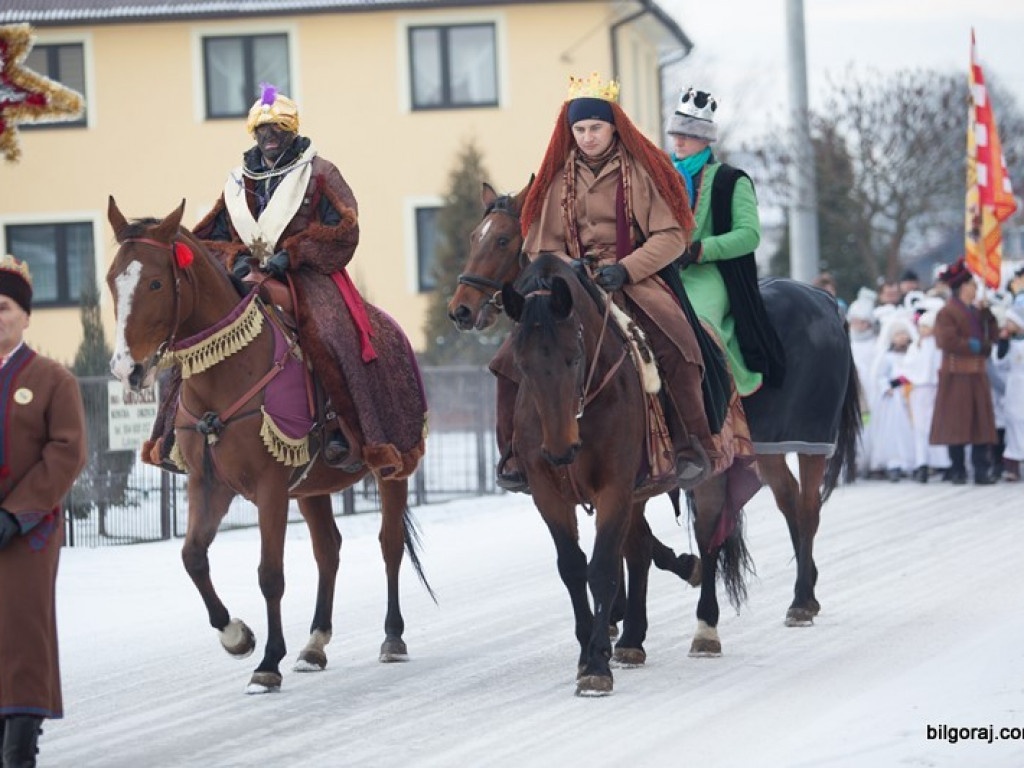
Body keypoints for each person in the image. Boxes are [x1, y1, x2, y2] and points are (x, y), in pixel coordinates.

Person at [148, 84, 425, 477]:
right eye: (262, 130)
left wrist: (295, 253)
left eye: (277, 129)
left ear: (291, 130)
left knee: (331, 332)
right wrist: (234, 258)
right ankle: (171, 436)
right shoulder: (238, 182)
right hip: (247, 276)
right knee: (200, 332)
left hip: (308, 276)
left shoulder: (320, 173)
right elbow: (210, 236)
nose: (270, 137)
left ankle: (348, 430)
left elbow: (345, 227)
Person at [492, 73, 745, 492]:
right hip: (570, 288)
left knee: (680, 342)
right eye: (580, 129)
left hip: (634, 279)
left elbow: (671, 236)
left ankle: (692, 444)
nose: (588, 137)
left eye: (596, 127)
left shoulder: (641, 175)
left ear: (614, 127)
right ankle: (514, 454)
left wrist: (626, 269)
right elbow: (541, 247)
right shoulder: (556, 182)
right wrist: (570, 269)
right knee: (506, 359)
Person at [0, 255, 87, 767]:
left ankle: (19, 747)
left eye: (5, 307)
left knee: (22, 630)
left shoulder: (53, 379)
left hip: (27, 531)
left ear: (26, 316)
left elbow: (67, 452)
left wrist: (17, 513)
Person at [665, 87, 785, 398]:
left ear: (705, 139)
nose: (678, 141)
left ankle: (716, 404)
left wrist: (701, 249)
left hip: (710, 274)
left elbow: (749, 235)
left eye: (687, 135)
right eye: (675, 134)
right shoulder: (659, 177)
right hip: (661, 271)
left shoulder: (733, 180)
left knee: (698, 325)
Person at [928, 258, 999, 485]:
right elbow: (946, 341)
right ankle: (958, 469)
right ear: (962, 287)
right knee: (956, 424)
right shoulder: (947, 312)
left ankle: (981, 470)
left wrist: (988, 316)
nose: (976, 289)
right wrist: (972, 346)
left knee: (981, 424)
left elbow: (992, 337)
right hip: (956, 375)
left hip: (977, 375)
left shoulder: (977, 312)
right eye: (972, 285)